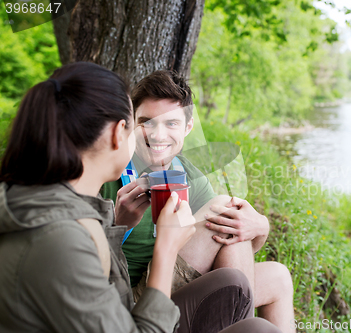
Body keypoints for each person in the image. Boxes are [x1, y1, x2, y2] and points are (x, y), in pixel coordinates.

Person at [0, 62, 281, 333]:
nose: (153, 135)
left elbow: (104, 283)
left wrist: (117, 226)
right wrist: (166, 250)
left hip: (131, 308)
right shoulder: (59, 234)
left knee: (255, 306)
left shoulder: (54, 201)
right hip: (140, 311)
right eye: (140, 124)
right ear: (117, 134)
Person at [100, 70, 295, 332]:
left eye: (170, 124)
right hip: (129, 299)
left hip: (171, 283)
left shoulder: (187, 173)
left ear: (187, 127)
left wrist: (261, 227)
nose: (158, 135)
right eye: (147, 122)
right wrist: (116, 224)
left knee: (278, 277)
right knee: (224, 211)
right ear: (132, 123)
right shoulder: (109, 169)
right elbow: (78, 257)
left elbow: (235, 245)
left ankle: (240, 325)